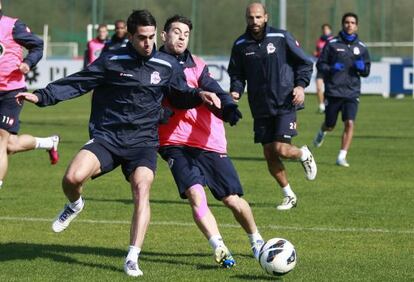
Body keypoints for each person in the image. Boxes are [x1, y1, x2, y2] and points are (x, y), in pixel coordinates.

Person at [16, 10, 221, 277]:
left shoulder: (166, 65)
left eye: (151, 37)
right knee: (71, 178)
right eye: (142, 38)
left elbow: (181, 94)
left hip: (144, 143)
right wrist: (42, 96)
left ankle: (132, 257)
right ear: (130, 37)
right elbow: (78, 83)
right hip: (108, 138)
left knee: (142, 187)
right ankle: (75, 204)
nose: (148, 43)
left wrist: (199, 94)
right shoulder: (112, 61)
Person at [158, 15, 264, 268]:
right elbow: (173, 92)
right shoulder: (154, 65)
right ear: (164, 35)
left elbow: (213, 88)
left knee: (231, 199)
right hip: (173, 141)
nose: (182, 36)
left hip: (208, 140)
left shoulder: (198, 64)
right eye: (176, 31)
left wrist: (227, 106)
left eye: (186, 33)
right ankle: (219, 246)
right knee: (195, 193)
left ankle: (256, 239)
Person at [227, 2, 317, 211]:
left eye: (258, 17)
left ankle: (303, 154)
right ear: (246, 19)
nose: (255, 21)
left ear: (266, 17)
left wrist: (301, 86)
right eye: (251, 18)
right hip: (260, 107)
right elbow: (237, 74)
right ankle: (289, 195)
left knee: (280, 149)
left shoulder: (281, 37)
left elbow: (305, 62)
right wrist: (235, 91)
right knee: (269, 153)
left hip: (285, 102)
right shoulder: (240, 45)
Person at [0, 1, 59, 190]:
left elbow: (37, 46)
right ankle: (49, 143)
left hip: (11, 91)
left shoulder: (13, 26)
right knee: (10, 145)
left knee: (0, 138)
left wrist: (27, 63)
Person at [313, 12, 370, 167]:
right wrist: (331, 68)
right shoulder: (332, 44)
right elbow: (320, 64)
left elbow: (366, 72)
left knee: (349, 123)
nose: (349, 25)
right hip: (333, 91)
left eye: (352, 22)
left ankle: (341, 156)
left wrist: (362, 68)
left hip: (352, 92)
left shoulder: (362, 48)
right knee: (330, 125)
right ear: (342, 24)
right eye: (346, 22)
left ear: (356, 26)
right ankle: (322, 131)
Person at [314, 24, 333, 113]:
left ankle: (327, 104)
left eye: (327, 29)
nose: (325, 31)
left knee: (329, 88)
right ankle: (321, 105)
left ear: (330, 30)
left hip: (329, 67)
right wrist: (316, 53)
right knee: (318, 87)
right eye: (324, 29)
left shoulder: (333, 40)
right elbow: (318, 52)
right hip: (320, 66)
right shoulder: (320, 40)